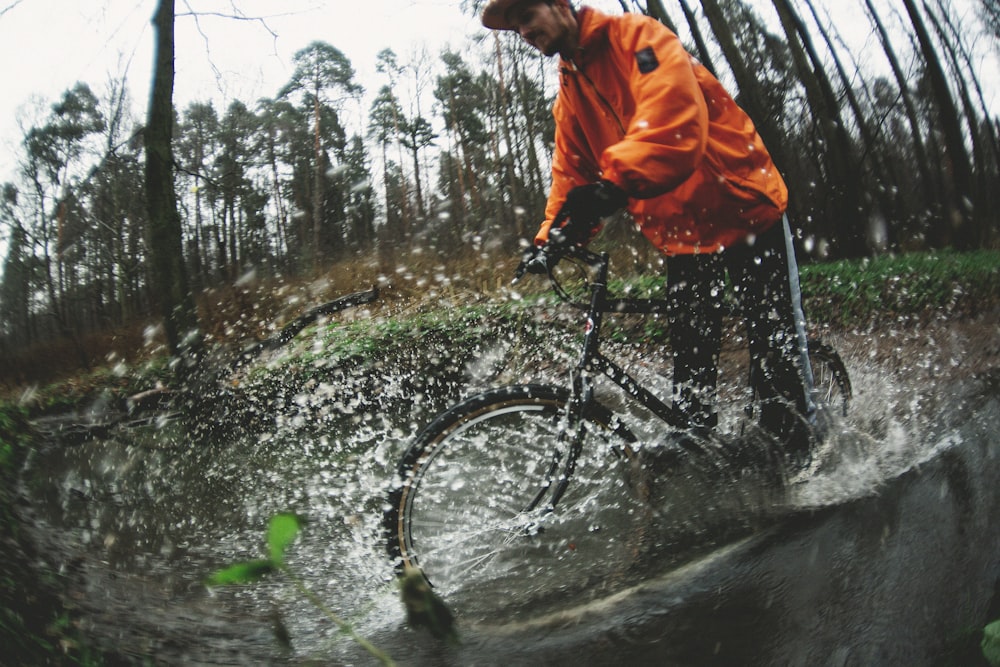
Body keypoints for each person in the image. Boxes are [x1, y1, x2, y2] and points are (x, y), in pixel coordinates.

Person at [482, 0, 817, 465]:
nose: (521, 30)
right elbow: (569, 174)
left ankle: (805, 462)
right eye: (513, 25)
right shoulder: (571, 89)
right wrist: (550, 239)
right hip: (682, 231)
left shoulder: (638, 38)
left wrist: (613, 184)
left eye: (525, 15)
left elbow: (672, 118)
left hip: (743, 211)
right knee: (690, 361)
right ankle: (704, 458)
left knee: (773, 347)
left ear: (559, 5)